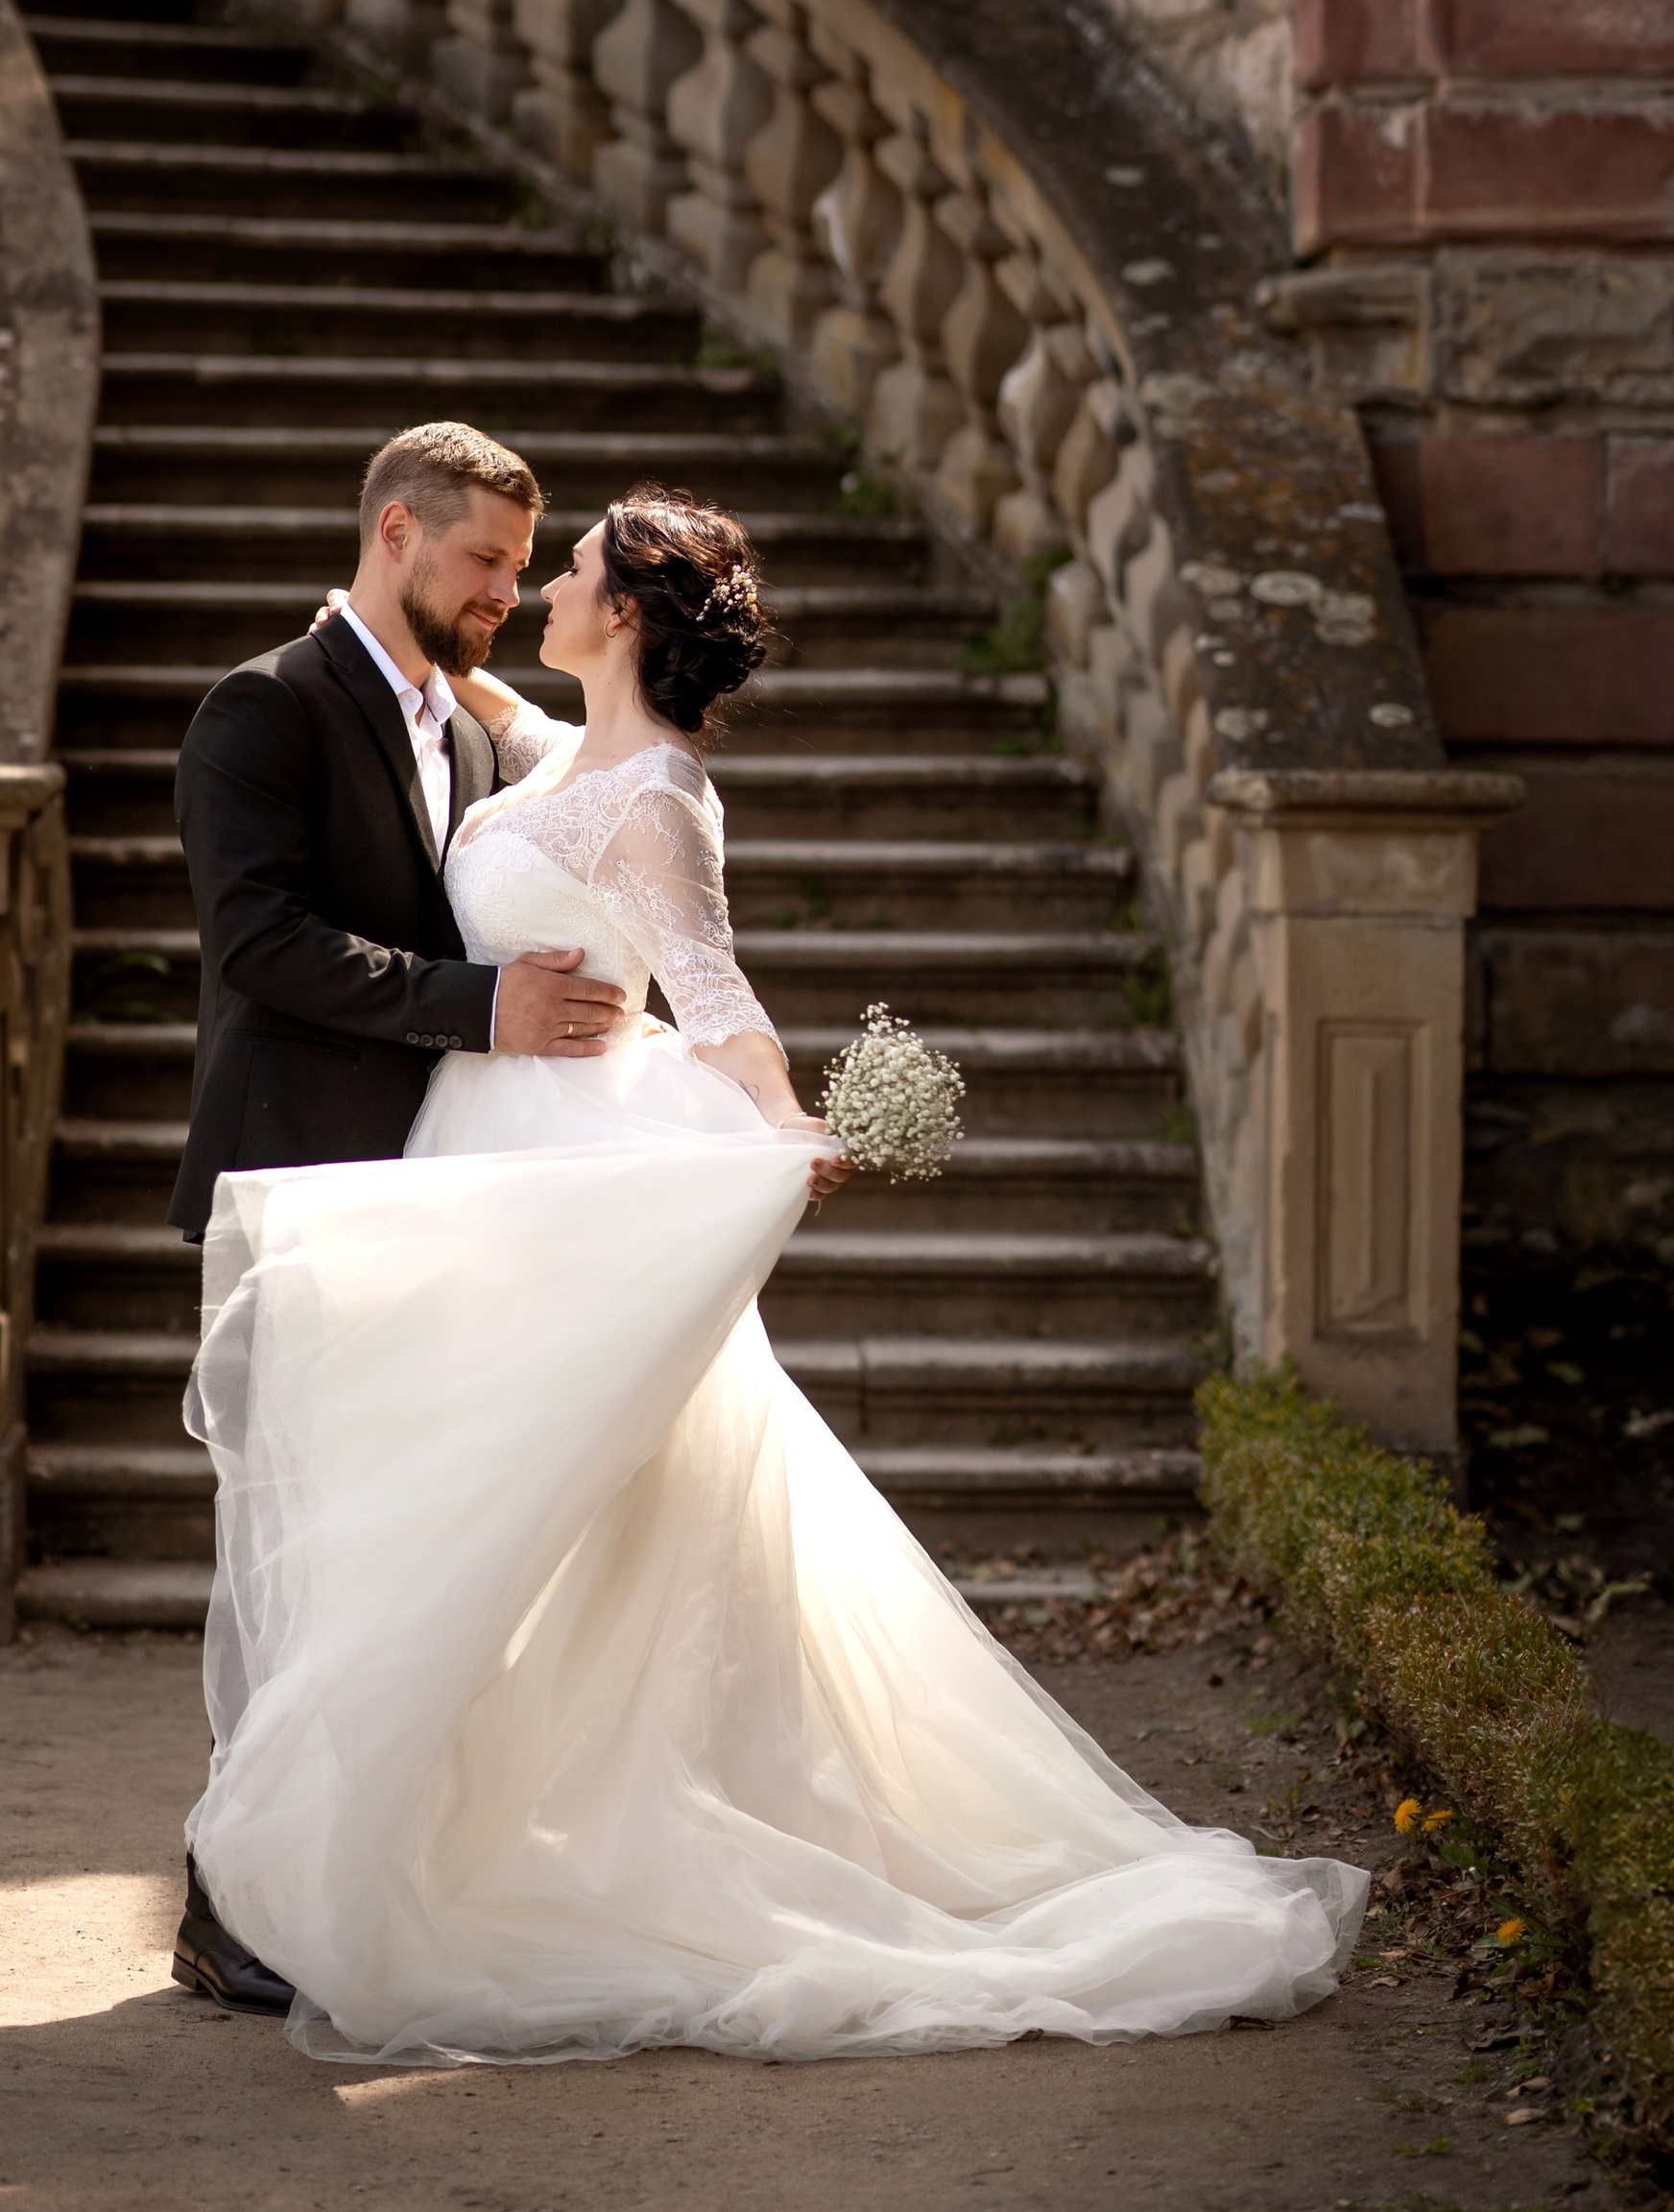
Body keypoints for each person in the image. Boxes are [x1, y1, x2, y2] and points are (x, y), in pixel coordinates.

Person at [180, 484, 1369, 2065]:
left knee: (531, 1519)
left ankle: (507, 1855)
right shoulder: (539, 746)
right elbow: (463, 736)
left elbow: (715, 987)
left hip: (559, 1177)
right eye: (516, 565)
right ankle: (354, 1860)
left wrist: (782, 1108)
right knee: (440, 1514)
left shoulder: (658, 792)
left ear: (629, 616)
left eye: (570, 572)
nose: (539, 590)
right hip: (468, 1163)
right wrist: (430, 668)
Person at [167, 419, 630, 2006]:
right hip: (300, 1179)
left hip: (442, 1196)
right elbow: (259, 942)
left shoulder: (486, 737)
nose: (506, 589)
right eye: (485, 559)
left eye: (521, 564)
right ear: (392, 533)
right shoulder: (266, 708)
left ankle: (339, 1874)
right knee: (288, 1543)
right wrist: (475, 1005)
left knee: (381, 1554)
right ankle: (225, 1906)